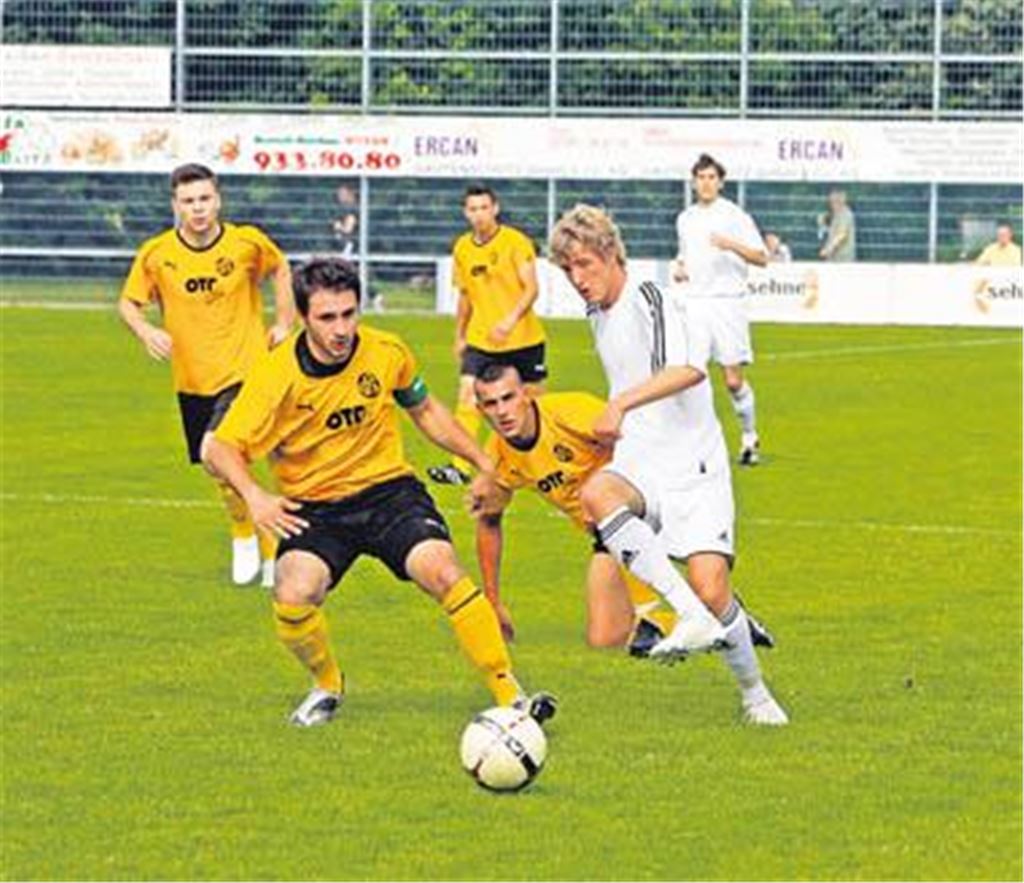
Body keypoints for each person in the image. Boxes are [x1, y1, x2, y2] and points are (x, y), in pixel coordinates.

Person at [202, 257, 555, 728]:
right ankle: (327, 685)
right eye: (327, 318)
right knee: (293, 592)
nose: (341, 328)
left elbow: (426, 410)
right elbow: (219, 448)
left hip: (389, 492)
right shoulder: (275, 376)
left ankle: (510, 694)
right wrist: (255, 496)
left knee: (444, 571)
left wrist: (485, 461)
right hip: (315, 507)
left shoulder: (387, 352)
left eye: (349, 313)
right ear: (304, 318)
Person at [549, 203, 788, 726]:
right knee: (598, 497)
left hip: (695, 467)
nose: (578, 278)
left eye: (586, 264)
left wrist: (619, 405)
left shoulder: (650, 298)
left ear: (612, 255)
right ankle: (688, 614)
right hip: (642, 460)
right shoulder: (597, 312)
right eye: (568, 270)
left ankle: (756, 695)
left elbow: (686, 370)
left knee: (713, 587)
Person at [472, 362, 776, 657]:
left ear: (526, 394)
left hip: (644, 500)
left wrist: (612, 488)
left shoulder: (568, 412)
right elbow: (489, 521)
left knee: (675, 590)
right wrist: (493, 601)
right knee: (606, 637)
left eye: (508, 398)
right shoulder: (496, 458)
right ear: (480, 409)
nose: (502, 411)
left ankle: (681, 616)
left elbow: (636, 437)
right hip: (607, 534)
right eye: (491, 403)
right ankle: (725, 618)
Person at [118, 162, 294, 588]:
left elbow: (282, 269)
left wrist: (285, 322)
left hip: (247, 370)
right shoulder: (158, 255)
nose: (197, 208)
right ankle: (243, 530)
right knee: (215, 466)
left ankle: (265, 550)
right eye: (188, 201)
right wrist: (145, 331)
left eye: (204, 199)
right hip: (193, 380)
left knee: (221, 449)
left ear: (218, 200)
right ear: (175, 205)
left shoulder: (246, 243)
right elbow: (128, 303)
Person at [427, 184, 546, 486]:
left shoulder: (516, 243)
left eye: (484, 208)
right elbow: (465, 297)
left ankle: (541, 463)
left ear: (495, 209)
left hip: (524, 339)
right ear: (466, 213)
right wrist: (460, 335)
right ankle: (460, 467)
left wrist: (510, 320)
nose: (479, 214)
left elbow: (531, 288)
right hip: (482, 341)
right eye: (473, 209)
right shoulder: (462, 249)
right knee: (468, 395)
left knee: (531, 404)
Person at [671, 153, 768, 466]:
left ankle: (750, 437)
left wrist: (731, 245)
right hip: (695, 304)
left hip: (728, 303)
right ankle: (697, 446)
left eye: (712, 177)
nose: (706, 183)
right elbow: (685, 255)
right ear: (693, 182)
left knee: (732, 381)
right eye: (701, 178)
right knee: (691, 377)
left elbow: (761, 257)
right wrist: (681, 268)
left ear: (721, 182)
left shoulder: (735, 216)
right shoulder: (685, 219)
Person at [817, 188, 857, 262]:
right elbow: (833, 232)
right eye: (831, 201)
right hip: (834, 259)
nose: (833, 204)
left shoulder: (845, 214)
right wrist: (823, 224)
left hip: (842, 260)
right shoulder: (836, 215)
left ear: (843, 199)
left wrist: (828, 249)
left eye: (836, 201)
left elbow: (841, 235)